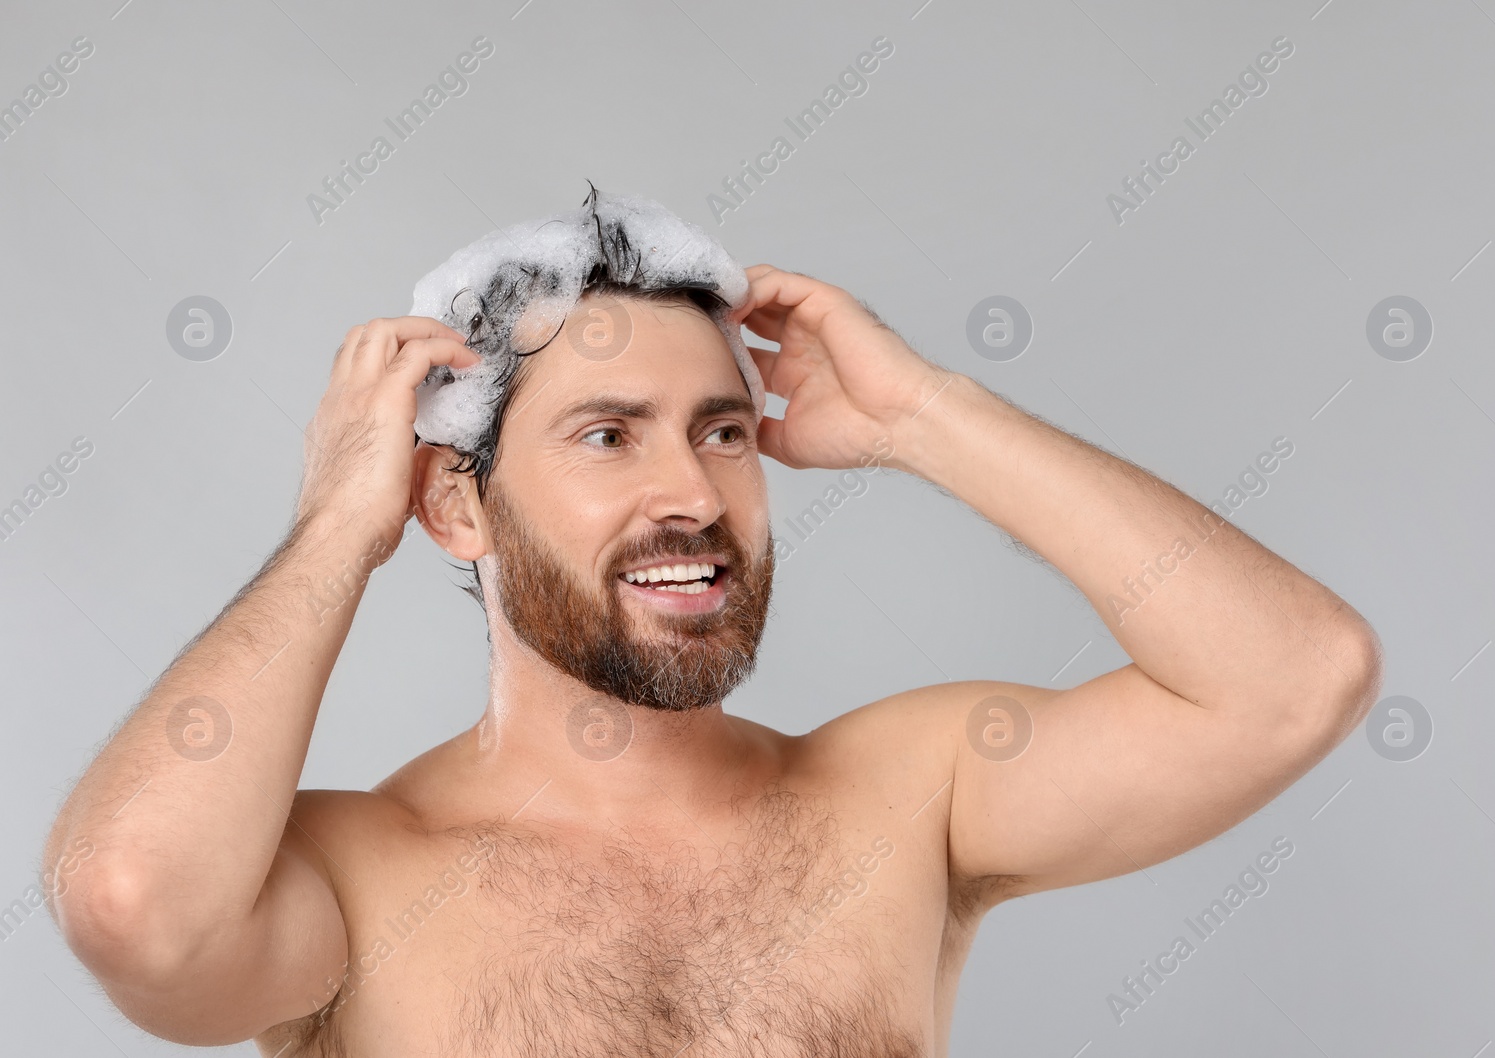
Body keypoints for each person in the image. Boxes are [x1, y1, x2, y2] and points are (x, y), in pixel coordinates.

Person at [41, 241, 1382, 1056]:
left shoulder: (906, 797)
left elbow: (1292, 678)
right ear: (459, 502)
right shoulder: (363, 875)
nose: (692, 490)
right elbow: (130, 902)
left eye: (724, 430)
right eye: (609, 434)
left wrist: (927, 414)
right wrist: (339, 524)